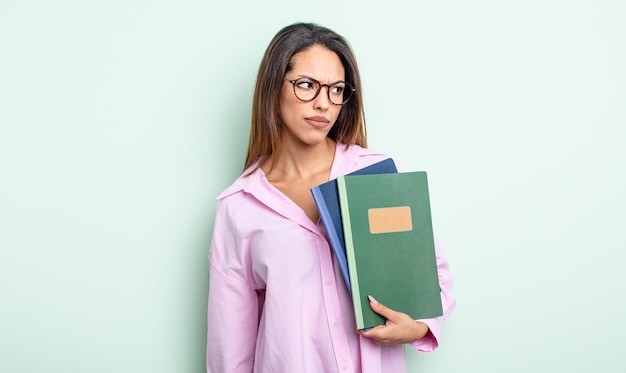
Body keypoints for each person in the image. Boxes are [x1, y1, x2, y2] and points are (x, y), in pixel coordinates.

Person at [206, 22, 455, 373]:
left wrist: (416, 328)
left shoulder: (374, 177)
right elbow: (229, 349)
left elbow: (430, 275)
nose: (324, 104)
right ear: (273, 88)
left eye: (336, 89)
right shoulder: (240, 206)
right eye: (306, 85)